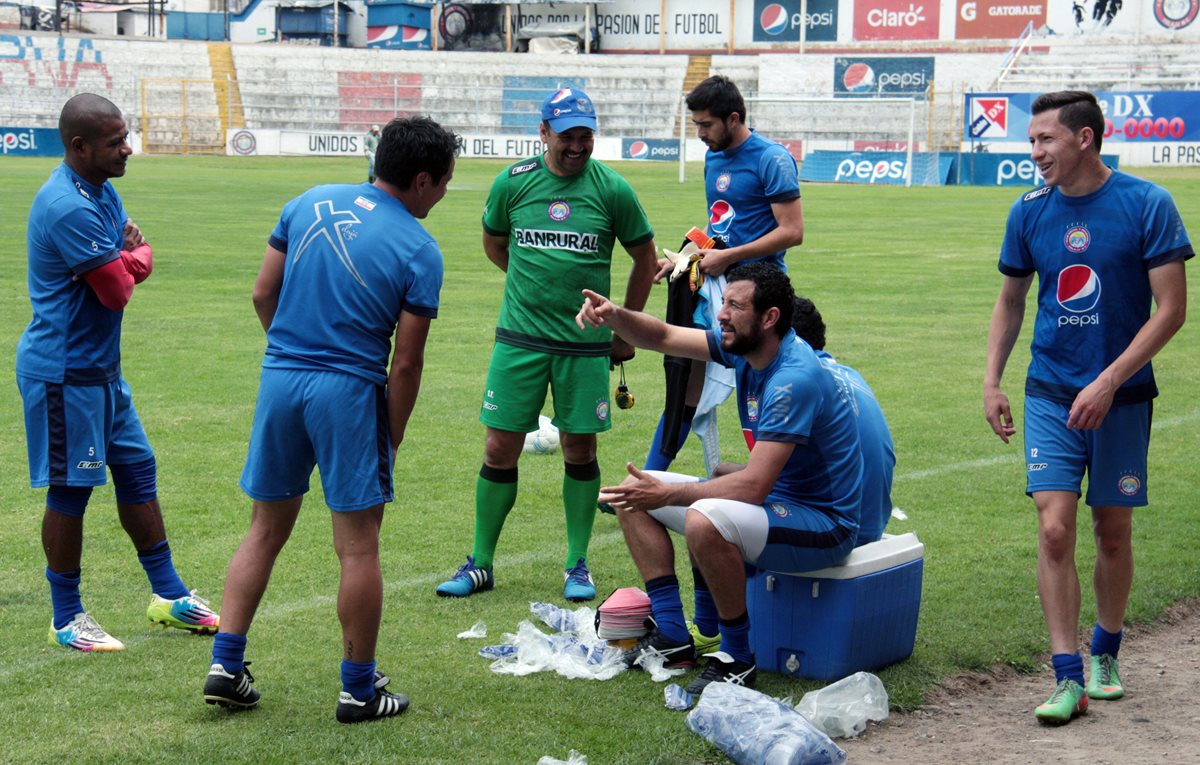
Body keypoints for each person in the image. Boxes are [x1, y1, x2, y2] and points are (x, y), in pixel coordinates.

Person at [202, 116, 460, 723]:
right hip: (347, 392)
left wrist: (292, 352)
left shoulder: (307, 201)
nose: (444, 196)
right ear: (421, 181)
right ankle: (358, 689)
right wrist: (390, 433)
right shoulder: (420, 248)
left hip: (281, 380)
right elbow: (407, 362)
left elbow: (263, 294)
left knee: (263, 529)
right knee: (358, 546)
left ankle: (225, 661)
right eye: (445, 184)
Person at [984, 90, 1190, 724]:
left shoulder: (1148, 204)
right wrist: (992, 379)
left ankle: (1107, 649)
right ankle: (1066, 673)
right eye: (1032, 141)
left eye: (1045, 140)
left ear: (1085, 140)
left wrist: (1109, 381)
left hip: (1121, 397)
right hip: (1049, 389)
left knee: (1112, 530)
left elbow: (1172, 310)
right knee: (1053, 528)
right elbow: (1012, 300)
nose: (1035, 152)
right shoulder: (1028, 211)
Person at [577, 263, 864, 695]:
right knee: (631, 493)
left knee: (702, 517)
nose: (721, 314)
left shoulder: (792, 378)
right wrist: (615, 315)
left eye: (735, 305)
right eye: (724, 302)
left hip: (824, 522)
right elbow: (664, 336)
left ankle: (737, 657)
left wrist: (669, 493)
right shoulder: (750, 347)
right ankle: (673, 635)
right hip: (782, 504)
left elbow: (752, 487)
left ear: (769, 318)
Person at [435, 87, 659, 602]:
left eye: (586, 136)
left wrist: (623, 328)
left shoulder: (613, 189)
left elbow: (644, 258)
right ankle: (481, 563)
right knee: (499, 445)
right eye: (567, 137)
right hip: (519, 340)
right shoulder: (512, 183)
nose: (577, 146)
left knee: (580, 448)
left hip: (584, 345)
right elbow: (494, 241)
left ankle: (577, 565)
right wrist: (524, 283)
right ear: (543, 133)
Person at [17, 93, 219, 653]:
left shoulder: (101, 191)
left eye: (125, 136)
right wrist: (132, 258)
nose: (128, 148)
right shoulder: (68, 206)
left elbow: (132, 260)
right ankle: (66, 617)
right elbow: (119, 290)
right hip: (63, 372)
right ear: (79, 147)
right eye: (115, 142)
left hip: (102, 370)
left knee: (137, 471)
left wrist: (131, 257)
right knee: (72, 490)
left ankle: (169, 595)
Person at [644, 75, 804, 476]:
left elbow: (792, 231)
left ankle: (778, 483)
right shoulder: (714, 157)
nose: (700, 134)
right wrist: (683, 259)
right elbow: (721, 229)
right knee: (686, 380)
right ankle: (650, 478)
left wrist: (729, 256)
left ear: (733, 118)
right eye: (696, 125)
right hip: (715, 285)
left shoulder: (772, 159)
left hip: (759, 295)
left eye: (706, 125)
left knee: (761, 387)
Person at [790, 296, 895, 548]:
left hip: (842, 531)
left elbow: (763, 483)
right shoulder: (849, 373)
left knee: (712, 516)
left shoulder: (798, 382)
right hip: (871, 524)